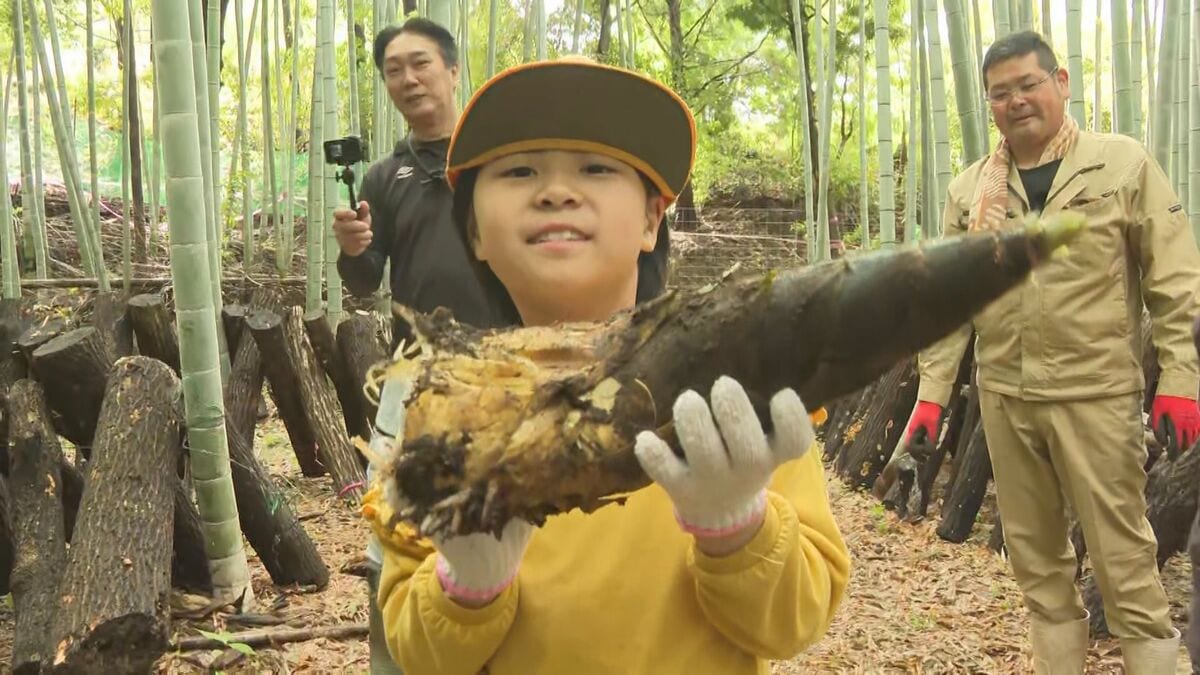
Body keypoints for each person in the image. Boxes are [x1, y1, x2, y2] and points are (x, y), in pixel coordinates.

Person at [359, 57, 850, 674]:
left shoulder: (735, 385)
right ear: (476, 234)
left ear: (651, 221)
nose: (557, 190)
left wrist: (738, 527)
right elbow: (416, 656)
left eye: (595, 168)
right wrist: (467, 585)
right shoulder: (439, 405)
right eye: (519, 170)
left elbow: (793, 623)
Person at [898, 31, 1200, 674]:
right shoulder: (971, 189)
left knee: (1126, 569)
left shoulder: (1121, 165)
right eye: (1000, 93)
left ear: (1061, 82)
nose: (1016, 102)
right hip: (1006, 400)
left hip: (1096, 397)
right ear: (989, 105)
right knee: (1038, 568)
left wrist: (1181, 377)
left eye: (1028, 84)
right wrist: (929, 399)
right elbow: (949, 305)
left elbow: (1176, 281)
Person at [331, 18, 507, 675]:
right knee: (399, 531)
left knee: (510, 519)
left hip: (506, 371)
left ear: (453, 70)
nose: (408, 79)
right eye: (394, 70)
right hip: (415, 378)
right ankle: (399, 658)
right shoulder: (383, 176)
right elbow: (363, 277)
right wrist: (352, 248)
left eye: (421, 63)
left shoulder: (498, 158)